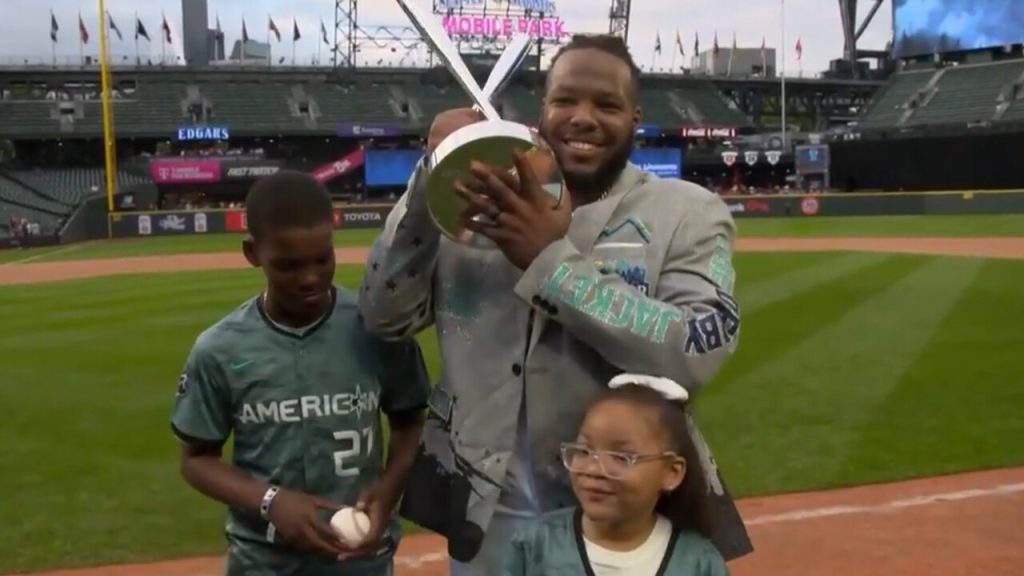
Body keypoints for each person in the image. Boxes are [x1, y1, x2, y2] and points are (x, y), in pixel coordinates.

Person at [359, 33, 752, 576]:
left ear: (635, 116)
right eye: (565, 100)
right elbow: (384, 316)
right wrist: (430, 180)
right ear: (541, 110)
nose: (583, 117)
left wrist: (551, 262)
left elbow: (694, 350)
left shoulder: (688, 214)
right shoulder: (473, 197)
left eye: (607, 104)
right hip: (483, 518)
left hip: (622, 525)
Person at [170, 170, 431, 576]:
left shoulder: (376, 329)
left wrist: (388, 490)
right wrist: (271, 500)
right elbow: (196, 460)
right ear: (252, 253)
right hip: (262, 562)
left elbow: (410, 422)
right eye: (288, 265)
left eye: (321, 258)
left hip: (360, 560)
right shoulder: (220, 349)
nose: (310, 278)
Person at [502, 374, 728, 576]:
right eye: (584, 451)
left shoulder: (699, 565)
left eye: (622, 457)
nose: (593, 469)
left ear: (671, 473)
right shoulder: (534, 546)